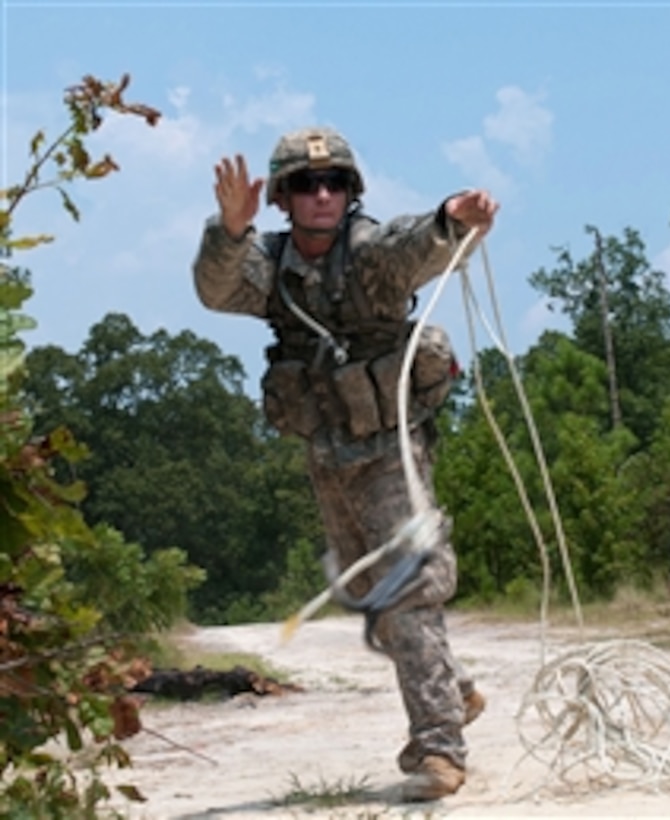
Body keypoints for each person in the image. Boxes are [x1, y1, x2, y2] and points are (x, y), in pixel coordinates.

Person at [192, 126, 498, 801]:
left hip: (392, 449)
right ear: (282, 198)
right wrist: (228, 230)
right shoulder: (270, 266)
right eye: (305, 184)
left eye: (334, 184)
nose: (322, 194)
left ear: (351, 191)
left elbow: (417, 243)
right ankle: (452, 690)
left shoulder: (371, 253)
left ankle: (439, 749)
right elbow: (215, 290)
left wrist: (455, 216)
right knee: (370, 599)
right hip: (327, 453)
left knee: (411, 591)